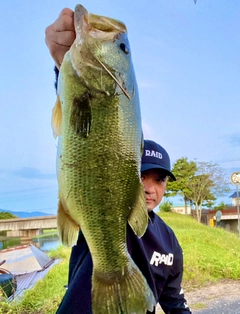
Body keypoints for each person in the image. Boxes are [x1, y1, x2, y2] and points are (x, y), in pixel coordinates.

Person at [45, 9, 192, 314]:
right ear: (124, 175)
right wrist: (63, 67)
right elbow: (79, 120)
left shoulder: (170, 243)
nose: (150, 187)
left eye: (159, 179)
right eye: (142, 176)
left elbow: (175, 303)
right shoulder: (109, 223)